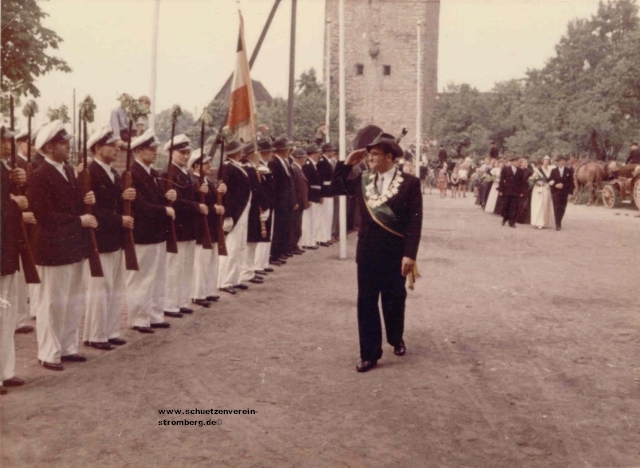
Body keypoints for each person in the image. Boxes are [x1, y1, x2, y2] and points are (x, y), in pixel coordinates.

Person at [331, 132, 423, 373]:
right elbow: (337, 186)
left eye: (374, 154)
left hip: (395, 253)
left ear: (389, 156)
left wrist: (410, 254)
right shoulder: (363, 178)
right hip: (368, 251)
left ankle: (396, 337)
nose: (369, 158)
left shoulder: (411, 183)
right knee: (366, 302)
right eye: (368, 154)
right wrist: (348, 162)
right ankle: (369, 354)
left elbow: (415, 222)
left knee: (394, 300)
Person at [28, 120, 95, 370]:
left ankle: (67, 347)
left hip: (72, 247)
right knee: (52, 304)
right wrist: (78, 219)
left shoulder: (67, 171)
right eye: (62, 143)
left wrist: (85, 198)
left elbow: (71, 203)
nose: (68, 146)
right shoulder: (39, 175)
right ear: (47, 147)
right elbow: (44, 215)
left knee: (72, 301)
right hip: (53, 248)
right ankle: (49, 352)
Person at [83, 127, 135, 351]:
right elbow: (93, 209)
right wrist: (119, 221)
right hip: (100, 238)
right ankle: (95, 334)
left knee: (113, 288)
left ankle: (110, 330)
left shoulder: (114, 173)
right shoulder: (90, 173)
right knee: (100, 288)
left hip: (114, 239)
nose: (117, 149)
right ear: (97, 148)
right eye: (111, 145)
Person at [126, 129, 176, 333]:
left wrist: (167, 197)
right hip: (143, 233)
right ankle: (139, 318)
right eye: (151, 149)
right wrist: (164, 208)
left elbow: (155, 199)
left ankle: (154, 314)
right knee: (141, 278)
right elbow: (138, 205)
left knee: (157, 277)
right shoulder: (132, 174)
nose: (156, 152)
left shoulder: (152, 173)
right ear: (138, 150)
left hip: (157, 233)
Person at [160, 134, 210, 313]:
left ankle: (181, 301)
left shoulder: (186, 174)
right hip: (177, 227)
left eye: (187, 152)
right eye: (181, 152)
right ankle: (170, 304)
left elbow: (189, 196)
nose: (185, 156)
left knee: (186, 267)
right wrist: (197, 205)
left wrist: (199, 192)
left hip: (189, 228)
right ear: (170, 152)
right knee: (174, 268)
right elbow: (178, 201)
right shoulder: (167, 173)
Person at [0, 122, 28, 392]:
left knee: (6, 315)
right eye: (3, 141)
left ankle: (5, 370)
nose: (8, 146)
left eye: (9, 141)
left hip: (7, 251)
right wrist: (12, 203)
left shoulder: (7, 168)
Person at [189, 149, 226, 304]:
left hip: (211, 226)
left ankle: (208, 290)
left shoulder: (207, 181)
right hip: (201, 227)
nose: (209, 165)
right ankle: (198, 293)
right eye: (205, 163)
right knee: (201, 262)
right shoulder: (193, 181)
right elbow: (198, 205)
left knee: (211, 260)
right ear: (196, 166)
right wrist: (214, 209)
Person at [218, 139, 251, 293]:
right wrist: (228, 215)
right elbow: (226, 195)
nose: (242, 152)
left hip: (243, 210)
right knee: (231, 247)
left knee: (239, 246)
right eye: (240, 150)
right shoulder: (227, 167)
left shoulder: (237, 166)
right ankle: (225, 281)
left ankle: (235, 278)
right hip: (235, 212)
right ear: (236, 152)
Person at [12, 128, 37, 334]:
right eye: (29, 142)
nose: (33, 146)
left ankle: (20, 317)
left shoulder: (30, 165)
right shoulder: (15, 165)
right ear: (20, 144)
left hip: (29, 224)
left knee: (21, 276)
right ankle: (16, 318)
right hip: (16, 223)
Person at [240, 143, 271, 285]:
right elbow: (257, 191)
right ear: (251, 154)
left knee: (252, 243)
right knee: (250, 243)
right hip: (252, 210)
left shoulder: (253, 169)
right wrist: (264, 206)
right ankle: (246, 272)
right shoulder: (249, 169)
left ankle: (249, 271)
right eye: (256, 153)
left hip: (253, 208)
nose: (259, 155)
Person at [268, 137, 297, 265]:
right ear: (281, 149)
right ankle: (274, 254)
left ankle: (281, 251)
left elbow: (290, 183)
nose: (288, 150)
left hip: (286, 201)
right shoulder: (274, 162)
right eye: (286, 148)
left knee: (285, 227)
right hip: (280, 201)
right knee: (278, 228)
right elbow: (276, 184)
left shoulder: (285, 161)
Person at [255, 139, 275, 273]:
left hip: (270, 202)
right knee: (262, 233)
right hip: (263, 204)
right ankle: (257, 265)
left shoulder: (267, 165)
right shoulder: (258, 166)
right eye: (269, 151)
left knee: (268, 233)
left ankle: (264, 262)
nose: (271, 153)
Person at [302, 144, 326, 248]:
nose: (318, 155)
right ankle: (308, 242)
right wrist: (309, 198)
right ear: (313, 154)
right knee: (309, 220)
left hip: (315, 196)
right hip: (312, 196)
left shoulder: (313, 164)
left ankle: (312, 240)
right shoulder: (308, 165)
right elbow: (307, 183)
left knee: (313, 219)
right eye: (317, 153)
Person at [498, 156, 527, 228]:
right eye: (516, 161)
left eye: (518, 161)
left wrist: (522, 192)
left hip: (516, 191)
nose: (517, 163)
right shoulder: (505, 169)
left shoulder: (520, 171)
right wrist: (501, 190)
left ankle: (512, 222)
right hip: (507, 191)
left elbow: (522, 182)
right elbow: (501, 180)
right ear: (512, 162)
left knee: (514, 207)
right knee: (506, 205)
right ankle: (505, 218)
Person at [290, 148, 310, 252]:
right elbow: (293, 187)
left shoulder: (298, 169)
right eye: (304, 157)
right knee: (295, 225)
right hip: (298, 202)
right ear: (299, 158)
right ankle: (292, 246)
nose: (305, 160)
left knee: (297, 225)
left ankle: (294, 245)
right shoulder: (294, 168)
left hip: (300, 201)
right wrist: (295, 201)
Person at [549, 155, 575, 231]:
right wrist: (555, 185)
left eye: (561, 161)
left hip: (565, 192)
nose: (559, 162)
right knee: (556, 208)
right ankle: (558, 224)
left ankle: (559, 220)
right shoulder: (553, 171)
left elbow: (571, 183)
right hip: (556, 192)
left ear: (564, 161)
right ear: (557, 162)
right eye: (558, 161)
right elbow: (550, 181)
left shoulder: (568, 171)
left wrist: (570, 193)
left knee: (563, 208)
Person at [529, 156, 555, 229]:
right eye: (545, 160)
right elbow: (531, 179)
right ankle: (536, 222)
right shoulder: (538, 170)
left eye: (548, 161)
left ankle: (542, 222)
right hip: (538, 189)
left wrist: (552, 182)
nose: (546, 162)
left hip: (546, 188)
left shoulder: (551, 169)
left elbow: (552, 179)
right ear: (542, 161)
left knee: (544, 205)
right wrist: (538, 182)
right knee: (538, 205)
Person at [316, 143, 335, 245]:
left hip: (329, 192)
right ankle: (322, 238)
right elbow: (321, 180)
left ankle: (326, 237)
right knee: (324, 216)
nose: (333, 152)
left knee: (328, 216)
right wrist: (321, 194)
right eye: (332, 150)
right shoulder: (322, 162)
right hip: (325, 192)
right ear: (327, 151)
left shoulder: (327, 162)